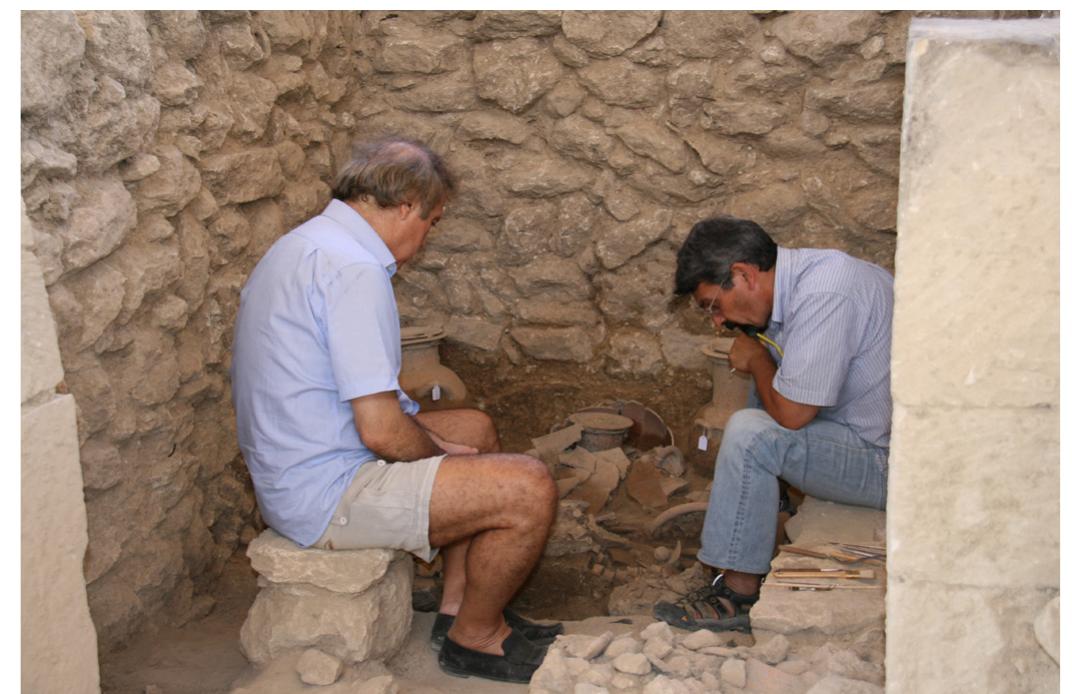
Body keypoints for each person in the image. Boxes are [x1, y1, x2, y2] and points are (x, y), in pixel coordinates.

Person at [231, 137, 560, 683]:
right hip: (324, 490)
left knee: (474, 426)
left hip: (299, 460)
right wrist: (440, 456)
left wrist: (448, 448)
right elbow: (382, 431)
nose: (426, 236)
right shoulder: (354, 268)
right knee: (528, 487)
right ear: (406, 205)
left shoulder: (306, 244)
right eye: (431, 222)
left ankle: (459, 606)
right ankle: (475, 640)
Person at [655, 216, 892, 632]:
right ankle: (762, 520)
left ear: (743, 274)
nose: (717, 321)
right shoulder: (803, 282)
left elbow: (794, 415)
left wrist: (758, 359)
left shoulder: (826, 294)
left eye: (713, 306)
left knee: (751, 434)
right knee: (762, 368)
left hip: (885, 464)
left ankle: (738, 592)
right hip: (855, 439)